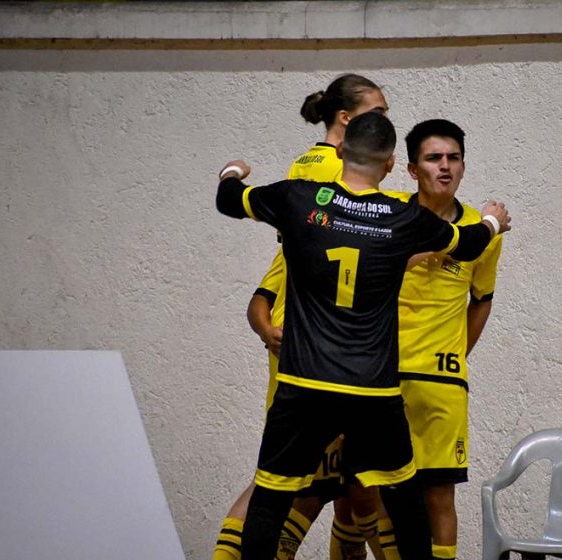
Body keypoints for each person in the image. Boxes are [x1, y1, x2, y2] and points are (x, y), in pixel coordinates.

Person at [216, 111, 511, 560]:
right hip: (371, 388)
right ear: (393, 165)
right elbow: (468, 243)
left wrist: (234, 171)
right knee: (404, 501)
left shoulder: (298, 199)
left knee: (272, 499)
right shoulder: (401, 217)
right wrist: (490, 221)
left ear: (340, 153)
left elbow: (228, 199)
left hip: (303, 383)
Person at [213, 73, 393, 560]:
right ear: (346, 118)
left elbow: (287, 258)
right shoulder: (328, 169)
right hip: (319, 340)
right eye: (378, 113)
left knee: (340, 478)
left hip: (316, 335)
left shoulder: (314, 165)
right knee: (285, 477)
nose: (386, 123)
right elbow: (324, 241)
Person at [398, 119, 502, 560]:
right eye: (433, 158)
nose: (445, 167)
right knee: (365, 497)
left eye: (453, 158)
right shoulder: (388, 214)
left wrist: (457, 353)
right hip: (382, 377)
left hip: (441, 385)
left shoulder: (483, 229)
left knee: (440, 497)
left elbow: (482, 300)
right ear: (411, 169)